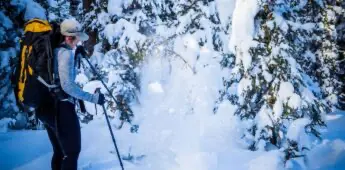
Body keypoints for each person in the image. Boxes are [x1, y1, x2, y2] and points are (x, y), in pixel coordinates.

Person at [36, 18, 105, 170]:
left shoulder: (56, 50)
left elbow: (57, 74)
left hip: (48, 107)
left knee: (60, 152)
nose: (79, 41)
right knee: (72, 152)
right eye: (77, 38)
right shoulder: (65, 54)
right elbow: (67, 86)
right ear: (69, 37)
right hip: (62, 107)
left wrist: (76, 55)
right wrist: (93, 98)